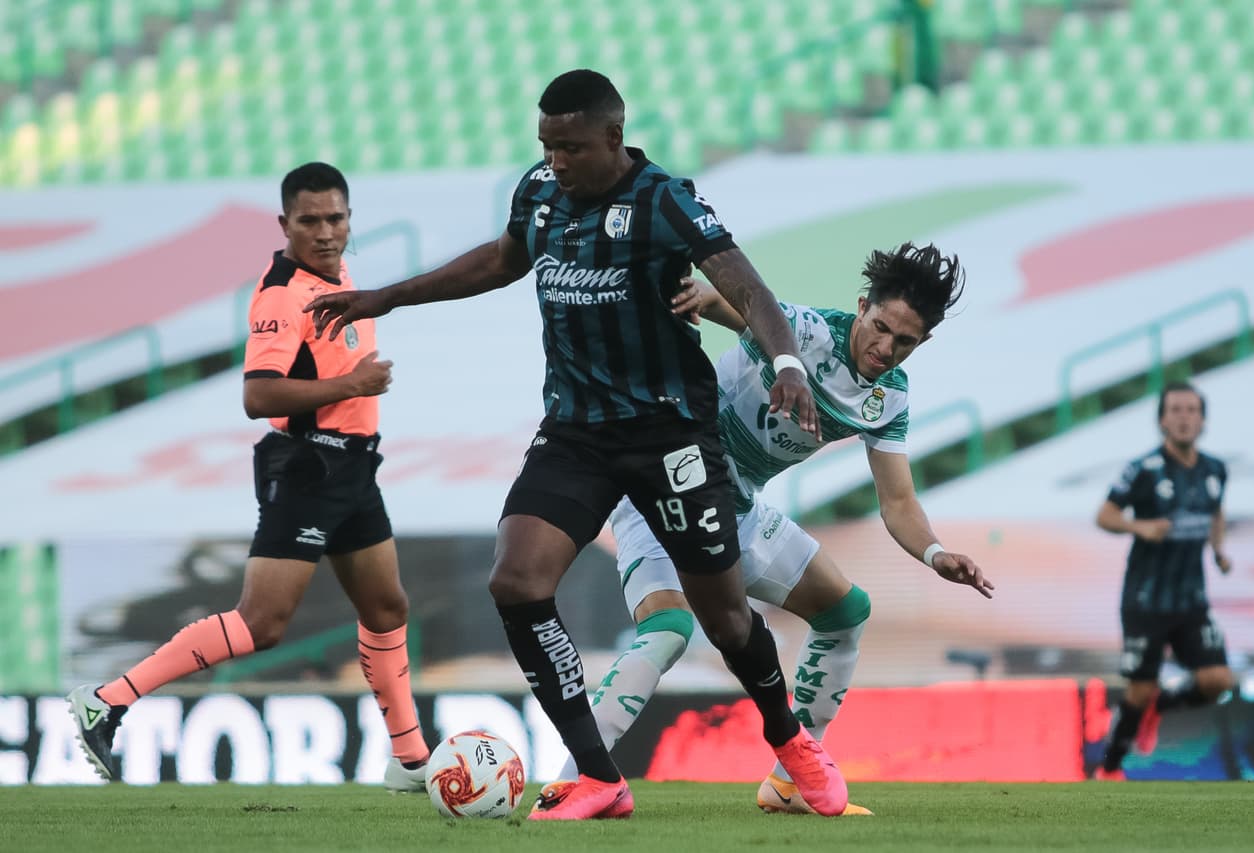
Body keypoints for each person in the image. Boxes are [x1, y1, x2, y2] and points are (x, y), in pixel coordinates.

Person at [304, 69, 849, 819]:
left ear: (613, 139)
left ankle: (792, 744)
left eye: (570, 146)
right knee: (516, 580)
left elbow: (750, 288)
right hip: (575, 428)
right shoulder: (538, 192)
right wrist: (387, 296)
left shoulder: (664, 199)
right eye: (547, 145)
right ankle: (599, 775)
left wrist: (787, 363)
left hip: (666, 430)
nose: (556, 160)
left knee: (724, 619)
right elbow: (500, 260)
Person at [536, 243, 995, 816]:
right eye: (880, 328)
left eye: (904, 342)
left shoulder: (890, 396)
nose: (885, 348)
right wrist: (691, 295)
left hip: (738, 509)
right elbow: (730, 303)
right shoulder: (801, 331)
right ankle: (573, 781)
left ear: (921, 343)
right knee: (670, 628)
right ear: (861, 306)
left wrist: (935, 553)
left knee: (844, 611)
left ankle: (790, 780)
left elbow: (898, 502)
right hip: (665, 485)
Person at [67, 162, 432, 792]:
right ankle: (107, 699)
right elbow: (259, 396)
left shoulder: (336, 273)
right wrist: (353, 384)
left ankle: (410, 762)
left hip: (352, 465)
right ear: (284, 223)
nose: (325, 232)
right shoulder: (281, 297)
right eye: (310, 221)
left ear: (349, 218)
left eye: (336, 218)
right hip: (311, 466)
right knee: (262, 623)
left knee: (386, 605)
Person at [1092, 381, 1234, 780]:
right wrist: (1140, 526)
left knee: (1217, 680)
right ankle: (1109, 770)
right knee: (1137, 690)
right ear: (1162, 420)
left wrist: (1219, 551)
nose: (1184, 417)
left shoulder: (1215, 470)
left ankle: (1162, 705)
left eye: (1192, 410)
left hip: (1191, 600)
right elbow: (1104, 515)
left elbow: (1216, 514)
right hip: (1145, 599)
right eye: (1176, 410)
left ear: (1203, 420)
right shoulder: (1142, 469)